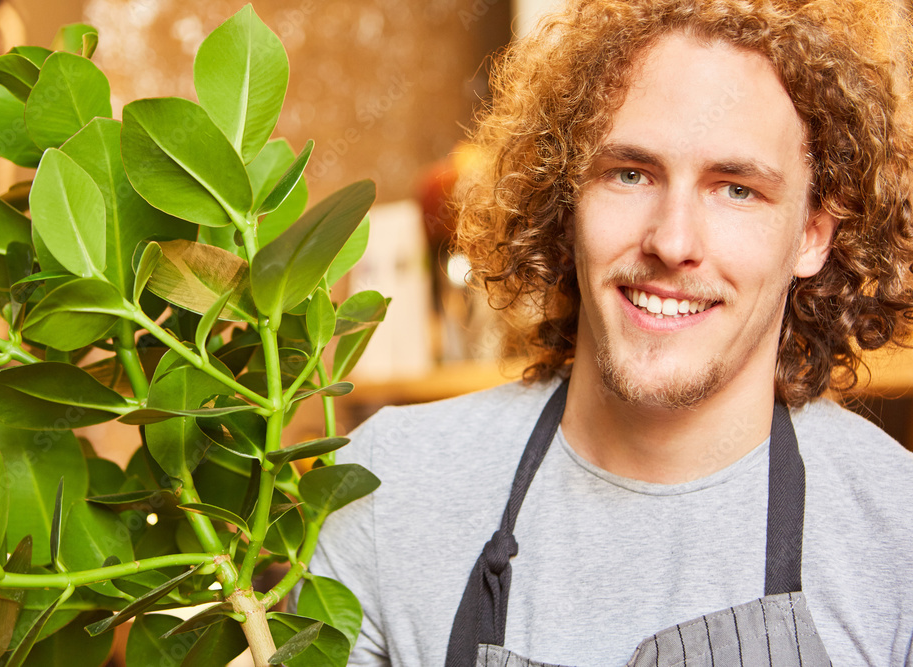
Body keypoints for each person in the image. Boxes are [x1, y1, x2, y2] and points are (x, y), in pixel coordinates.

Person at [307, 0, 913, 664]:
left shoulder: (897, 538)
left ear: (812, 235)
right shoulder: (390, 490)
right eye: (630, 173)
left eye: (736, 188)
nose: (673, 241)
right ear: (566, 201)